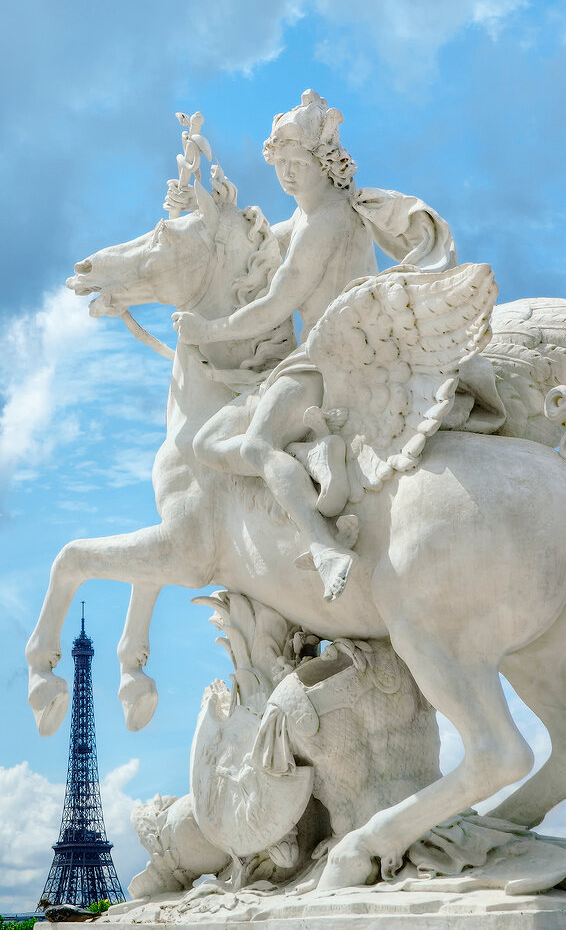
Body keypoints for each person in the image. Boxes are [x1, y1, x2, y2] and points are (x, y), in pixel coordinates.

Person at [173, 90, 457, 600]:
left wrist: (208, 332)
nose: (285, 173)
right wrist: (205, 207)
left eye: (295, 162)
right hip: (322, 356)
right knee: (204, 442)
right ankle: (312, 459)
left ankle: (325, 545)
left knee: (257, 444)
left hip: (334, 358)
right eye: (278, 162)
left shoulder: (326, 221)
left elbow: (276, 304)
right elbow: (254, 240)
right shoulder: (305, 217)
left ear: (324, 163)